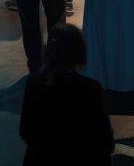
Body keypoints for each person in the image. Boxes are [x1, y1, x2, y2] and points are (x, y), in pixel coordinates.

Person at [20, 24, 114, 166]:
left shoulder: (34, 83)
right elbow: (105, 142)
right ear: (80, 53)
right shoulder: (90, 88)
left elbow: (25, 131)